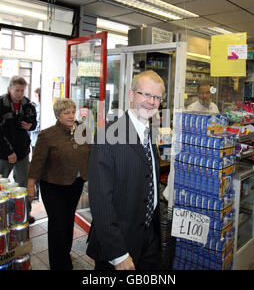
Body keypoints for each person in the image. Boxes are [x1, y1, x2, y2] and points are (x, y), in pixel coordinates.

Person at [87, 70, 164, 270]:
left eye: (157, 97)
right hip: (119, 243)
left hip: (149, 237)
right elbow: (100, 201)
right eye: (146, 94)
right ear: (131, 95)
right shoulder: (107, 138)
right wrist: (118, 254)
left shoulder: (149, 132)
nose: (152, 102)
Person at [27, 98, 90, 270]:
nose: (71, 116)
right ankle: (60, 265)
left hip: (75, 184)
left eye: (72, 111)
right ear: (58, 115)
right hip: (53, 186)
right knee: (58, 225)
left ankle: (65, 251)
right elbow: (37, 163)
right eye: (66, 113)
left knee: (68, 220)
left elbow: (91, 152)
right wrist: (31, 185)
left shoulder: (82, 131)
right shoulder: (48, 135)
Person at [0, 76, 37, 224]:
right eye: (16, 90)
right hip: (3, 154)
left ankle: (25, 213)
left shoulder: (27, 104)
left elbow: (34, 122)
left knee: (23, 184)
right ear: (10, 89)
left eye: (22, 90)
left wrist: (30, 126)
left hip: (22, 153)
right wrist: (8, 152)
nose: (19, 94)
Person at [29, 87, 41, 200]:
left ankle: (35, 192)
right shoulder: (36, 107)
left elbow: (36, 126)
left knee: (36, 165)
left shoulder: (39, 109)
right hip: (34, 141)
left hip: (36, 141)